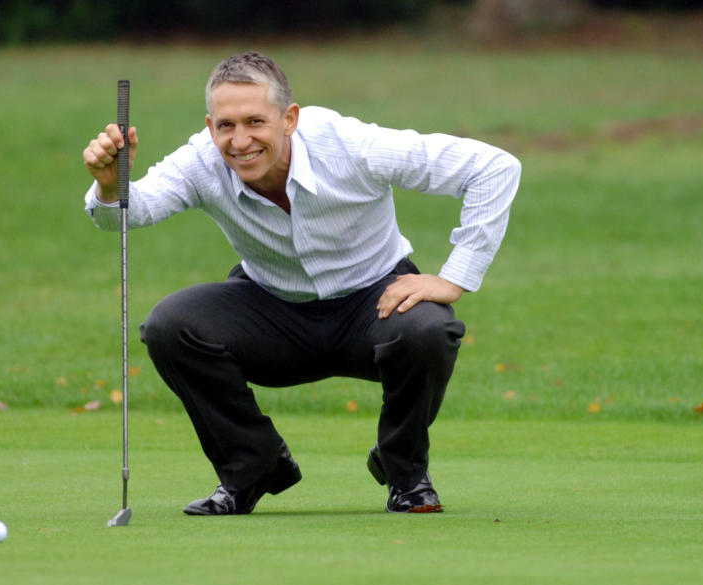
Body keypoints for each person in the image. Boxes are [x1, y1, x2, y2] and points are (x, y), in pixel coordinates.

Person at [82, 51, 520, 515]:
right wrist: (113, 185)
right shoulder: (201, 160)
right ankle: (254, 468)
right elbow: (135, 212)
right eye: (226, 126)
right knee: (171, 326)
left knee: (429, 329)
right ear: (211, 128)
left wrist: (454, 278)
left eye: (255, 121)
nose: (240, 140)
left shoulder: (349, 143)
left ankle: (405, 473)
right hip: (272, 311)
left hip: (376, 304)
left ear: (289, 118)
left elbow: (494, 168)